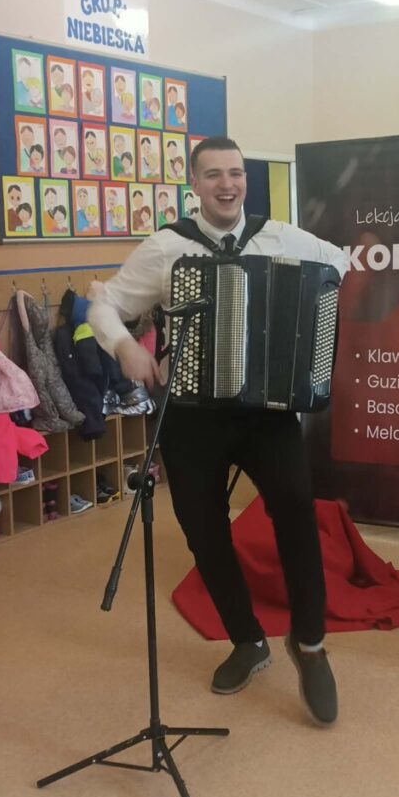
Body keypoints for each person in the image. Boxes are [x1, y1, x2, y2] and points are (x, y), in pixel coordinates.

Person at [88, 136, 350, 726]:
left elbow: (340, 263)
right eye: (214, 175)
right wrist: (125, 346)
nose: (227, 185)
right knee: (203, 530)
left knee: (296, 512)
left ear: (244, 181)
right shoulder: (167, 246)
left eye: (235, 173)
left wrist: (316, 317)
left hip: (268, 411)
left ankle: (310, 643)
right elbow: (103, 305)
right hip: (191, 414)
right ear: (195, 184)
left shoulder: (279, 236)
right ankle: (248, 640)